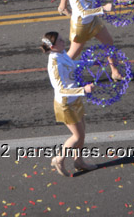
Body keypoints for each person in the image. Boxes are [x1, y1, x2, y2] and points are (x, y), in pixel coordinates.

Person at [59, 0, 124, 81]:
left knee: (108, 42)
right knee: (72, 54)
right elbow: (82, 12)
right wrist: (103, 9)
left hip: (92, 20)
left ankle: (115, 72)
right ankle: (60, 74)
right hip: (81, 25)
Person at [41, 31, 97, 176]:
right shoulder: (55, 65)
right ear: (52, 47)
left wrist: (90, 63)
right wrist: (83, 90)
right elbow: (62, 90)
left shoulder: (62, 53)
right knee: (77, 137)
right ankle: (59, 159)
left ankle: (79, 161)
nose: (63, 41)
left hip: (75, 99)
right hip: (66, 104)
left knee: (82, 134)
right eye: (60, 41)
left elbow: (72, 64)